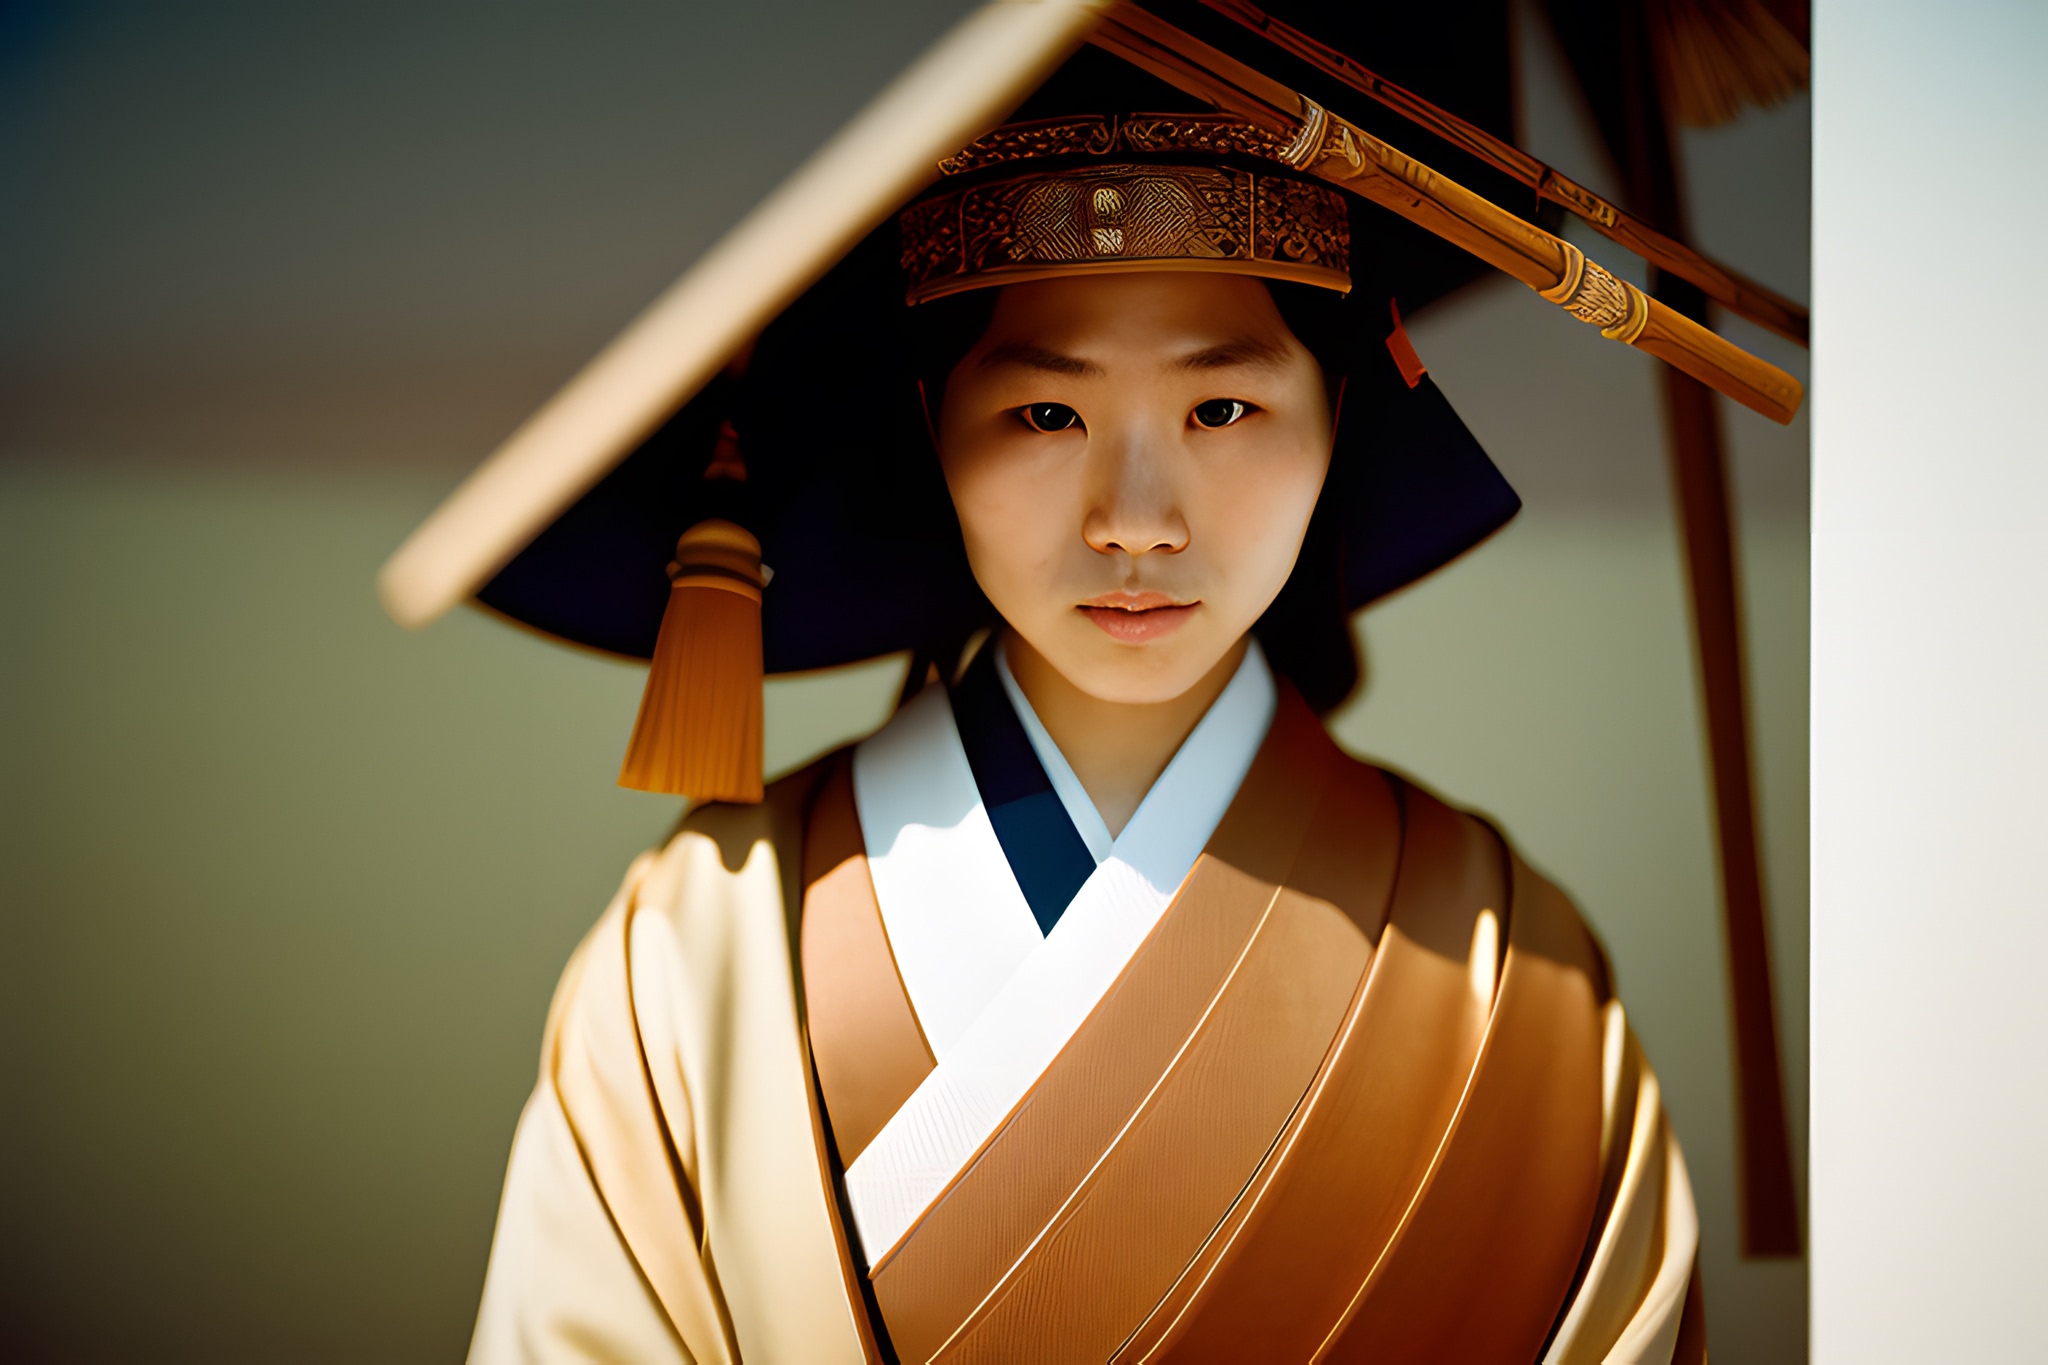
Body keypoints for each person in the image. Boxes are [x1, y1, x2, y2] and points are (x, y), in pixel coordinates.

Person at [428, 43, 1705, 1365]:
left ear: (1338, 412)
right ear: (933, 420)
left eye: (1223, 406)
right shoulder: (707, 944)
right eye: (1046, 413)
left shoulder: (1518, 977)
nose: (1136, 520)